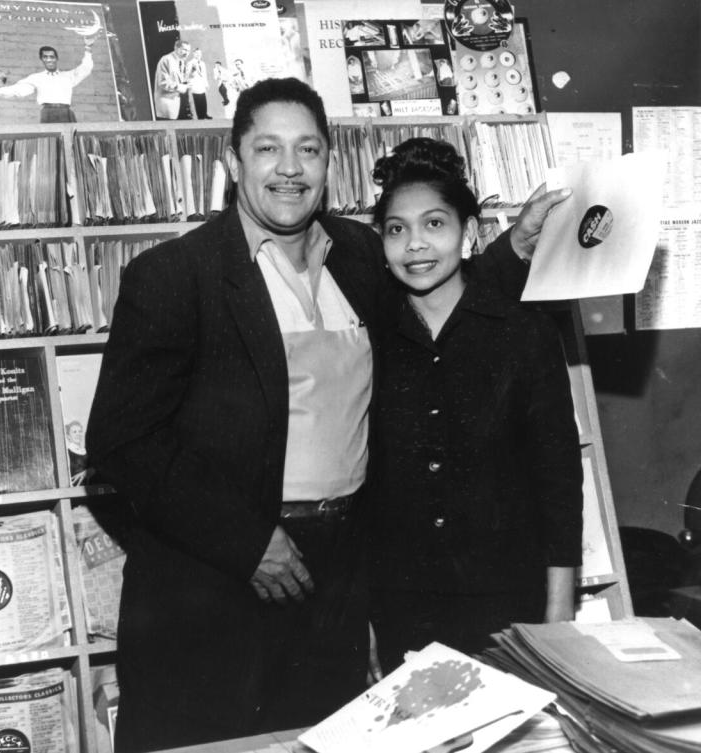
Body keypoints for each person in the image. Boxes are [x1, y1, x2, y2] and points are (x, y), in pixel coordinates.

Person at [87, 77, 569, 752]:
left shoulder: (362, 256)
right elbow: (121, 439)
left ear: (327, 163)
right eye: (268, 149)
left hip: (339, 581)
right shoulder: (172, 277)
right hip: (215, 577)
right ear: (231, 163)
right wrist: (247, 541)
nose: (290, 168)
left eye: (308, 149)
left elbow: (438, 286)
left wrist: (514, 245)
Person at [368, 137, 583, 673]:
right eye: (397, 229)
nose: (415, 245)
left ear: (468, 233)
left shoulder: (525, 333)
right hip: (404, 607)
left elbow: (558, 481)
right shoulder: (370, 339)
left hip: (510, 606)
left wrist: (559, 611)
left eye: (434, 224)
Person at [0, 41, 94, 123]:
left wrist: (88, 48)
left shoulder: (68, 76)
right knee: (50, 142)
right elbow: (19, 89)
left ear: (56, 58)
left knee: (72, 142)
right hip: (48, 113)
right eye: (45, 57)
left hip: (66, 112)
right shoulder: (36, 77)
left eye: (52, 57)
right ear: (42, 59)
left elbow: (86, 68)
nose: (49, 60)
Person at [153, 38, 189, 120]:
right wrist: (180, 87)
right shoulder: (166, 59)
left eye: (188, 51)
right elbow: (163, 83)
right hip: (165, 102)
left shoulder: (181, 62)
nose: (186, 53)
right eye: (184, 50)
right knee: (168, 129)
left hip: (174, 102)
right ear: (176, 48)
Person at [184, 47, 209, 119]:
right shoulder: (190, 63)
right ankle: (200, 116)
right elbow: (187, 75)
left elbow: (205, 75)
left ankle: (205, 114)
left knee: (203, 100)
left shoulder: (202, 63)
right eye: (197, 53)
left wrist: (206, 84)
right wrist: (192, 72)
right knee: (198, 101)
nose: (198, 55)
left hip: (201, 84)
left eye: (199, 54)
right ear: (193, 54)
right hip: (195, 84)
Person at [65, 420, 89, 485]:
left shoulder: (86, 451)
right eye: (74, 432)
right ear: (68, 436)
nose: (78, 434)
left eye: (80, 431)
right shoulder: (67, 453)